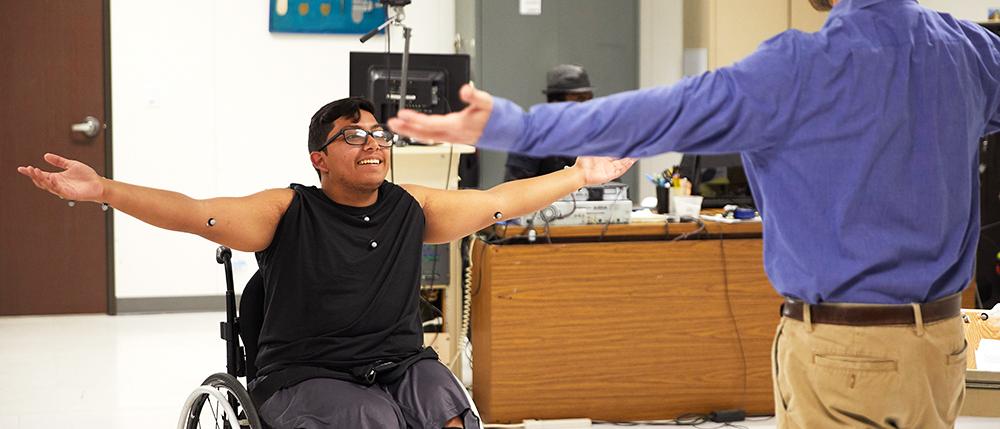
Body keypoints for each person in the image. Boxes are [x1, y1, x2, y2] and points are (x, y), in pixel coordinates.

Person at [388, 0, 1000, 427]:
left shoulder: (801, 66)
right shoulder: (970, 50)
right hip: (942, 347)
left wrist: (518, 123)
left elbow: (661, 113)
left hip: (845, 352)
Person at [17, 97, 634, 429]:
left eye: (378, 134)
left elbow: (497, 202)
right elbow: (191, 211)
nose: (372, 142)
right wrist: (103, 190)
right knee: (372, 421)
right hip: (305, 375)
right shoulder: (286, 210)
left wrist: (580, 173)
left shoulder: (410, 207)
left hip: (397, 363)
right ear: (319, 157)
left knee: (445, 407)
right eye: (352, 134)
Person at [503, 64, 592, 181]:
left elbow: (612, 186)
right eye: (579, 99)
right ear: (555, 102)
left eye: (589, 98)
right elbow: (515, 189)